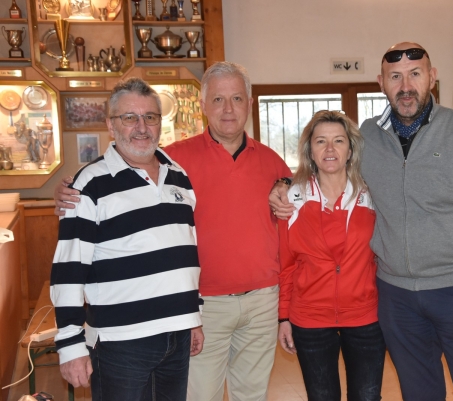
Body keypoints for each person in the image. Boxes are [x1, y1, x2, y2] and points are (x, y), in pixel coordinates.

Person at [270, 42, 453, 401]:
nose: (406, 86)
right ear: (381, 83)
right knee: (418, 393)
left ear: (431, 78)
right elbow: (326, 164)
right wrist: (282, 185)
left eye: (415, 74)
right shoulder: (366, 138)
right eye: (395, 77)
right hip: (397, 298)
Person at [54, 62, 292, 401]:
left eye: (237, 99)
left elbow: (300, 202)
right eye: (219, 99)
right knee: (199, 396)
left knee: (252, 394)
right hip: (203, 303)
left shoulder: (271, 162)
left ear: (249, 104)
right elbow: (107, 187)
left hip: (259, 300)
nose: (228, 109)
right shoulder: (173, 159)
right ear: (202, 105)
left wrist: (286, 185)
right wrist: (68, 190)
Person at [50, 77, 204, 400]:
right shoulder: (88, 184)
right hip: (121, 343)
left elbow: (186, 253)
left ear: (160, 123)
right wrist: (69, 343)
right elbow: (68, 269)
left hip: (176, 336)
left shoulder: (178, 175)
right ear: (111, 124)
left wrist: (193, 317)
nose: (141, 126)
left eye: (150, 117)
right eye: (129, 117)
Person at [277, 110, 385, 401]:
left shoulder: (372, 194)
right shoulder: (291, 199)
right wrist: (283, 317)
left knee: (367, 396)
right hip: (310, 318)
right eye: (320, 141)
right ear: (309, 150)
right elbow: (286, 264)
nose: (329, 149)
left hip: (365, 316)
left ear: (350, 149)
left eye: (338, 140)